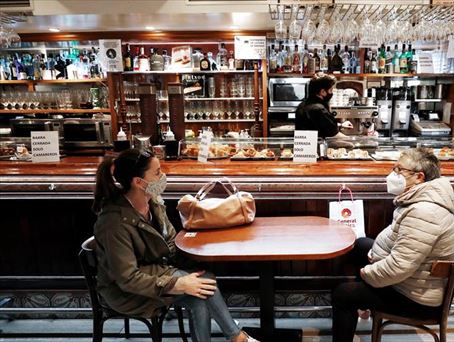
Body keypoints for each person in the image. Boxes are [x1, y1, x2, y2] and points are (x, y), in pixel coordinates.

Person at [92, 149, 257, 342]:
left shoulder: (151, 201)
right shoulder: (114, 223)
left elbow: (169, 242)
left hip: (155, 273)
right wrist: (177, 282)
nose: (163, 177)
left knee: (202, 287)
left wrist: (194, 258)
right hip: (125, 293)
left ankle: (237, 337)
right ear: (138, 182)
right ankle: (238, 338)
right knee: (204, 285)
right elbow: (127, 278)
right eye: (157, 173)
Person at [331, 148, 454, 342]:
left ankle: (356, 306)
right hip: (410, 280)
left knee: (343, 295)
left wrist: (367, 274)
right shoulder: (422, 198)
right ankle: (363, 307)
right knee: (360, 245)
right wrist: (373, 258)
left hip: (416, 298)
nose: (393, 175)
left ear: (419, 177)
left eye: (399, 170)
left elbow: (400, 267)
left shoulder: (424, 212)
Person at [295, 72, 352, 138]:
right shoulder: (319, 109)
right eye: (331, 90)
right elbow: (333, 134)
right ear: (322, 92)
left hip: (305, 146)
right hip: (315, 146)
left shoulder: (302, 105)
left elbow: (323, 125)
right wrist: (350, 141)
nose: (331, 93)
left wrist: (341, 125)